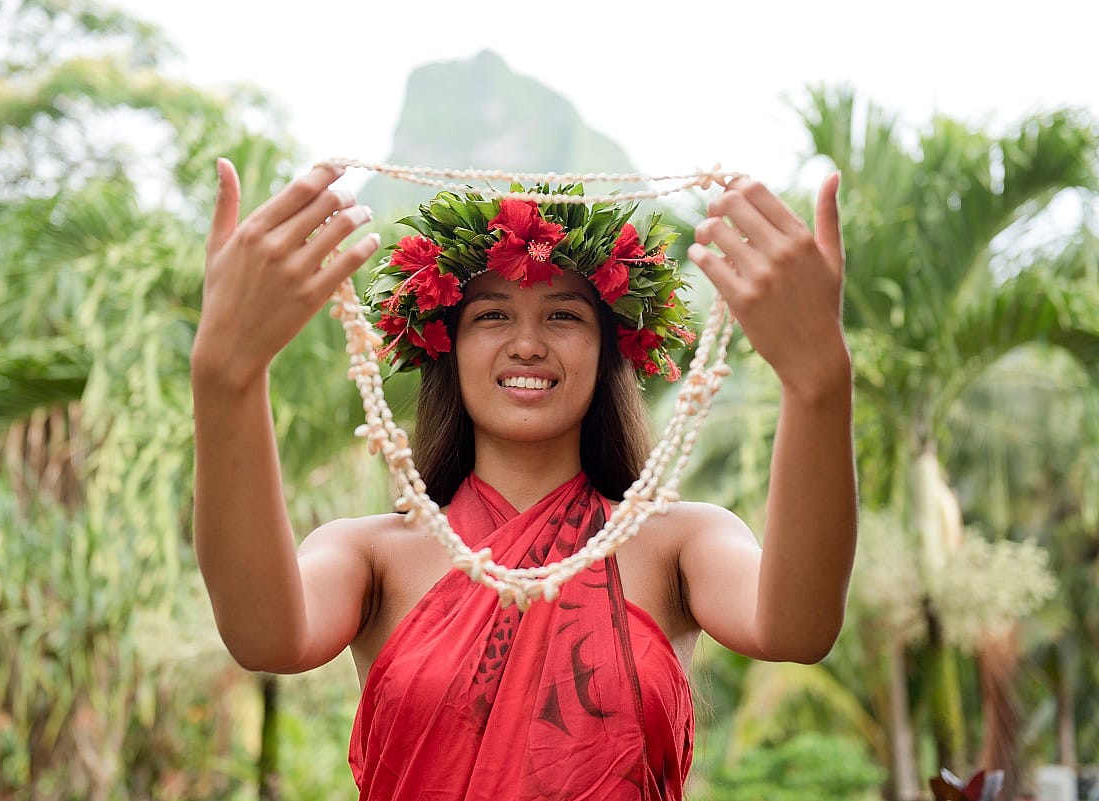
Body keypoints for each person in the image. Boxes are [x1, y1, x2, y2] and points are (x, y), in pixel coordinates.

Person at [191, 159, 857, 801]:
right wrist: (225, 378)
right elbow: (263, 636)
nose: (529, 343)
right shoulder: (370, 554)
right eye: (492, 315)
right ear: (445, 346)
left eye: (564, 314)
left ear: (609, 348)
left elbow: (797, 628)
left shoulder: (682, 542)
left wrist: (818, 382)